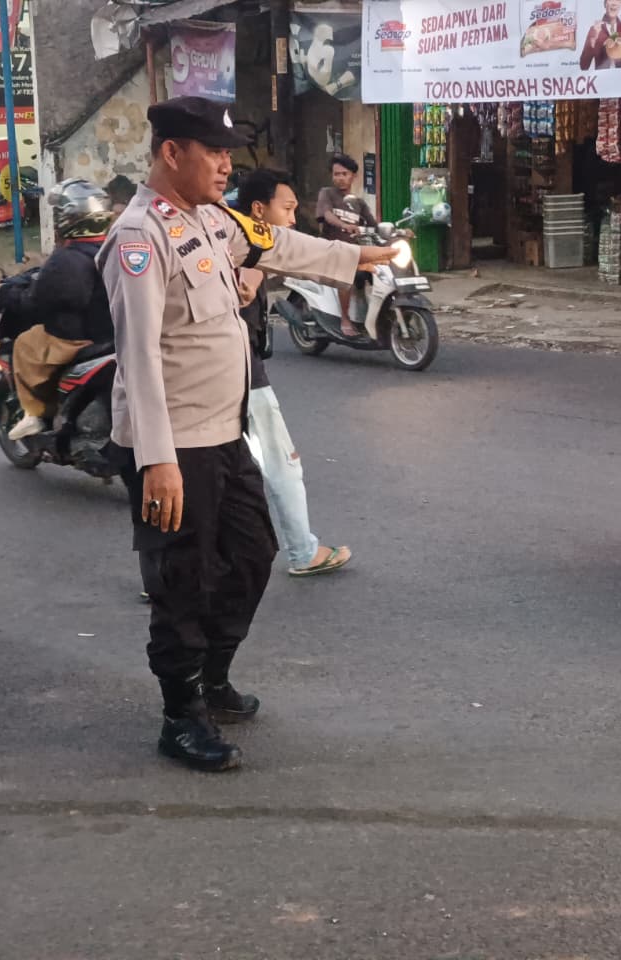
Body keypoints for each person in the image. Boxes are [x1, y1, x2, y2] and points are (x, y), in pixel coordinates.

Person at [99, 96, 395, 773]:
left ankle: (212, 676)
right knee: (184, 579)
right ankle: (181, 716)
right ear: (172, 153)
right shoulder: (141, 237)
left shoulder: (209, 219)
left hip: (223, 433)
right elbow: (139, 356)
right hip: (173, 445)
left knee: (255, 552)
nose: (227, 164)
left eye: (230, 151)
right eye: (214, 151)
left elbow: (279, 243)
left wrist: (360, 258)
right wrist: (158, 462)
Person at [229, 169, 352, 578]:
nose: (293, 219)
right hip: (241, 375)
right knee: (282, 464)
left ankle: (168, 575)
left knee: (208, 474)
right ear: (259, 210)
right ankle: (302, 551)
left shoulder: (228, 237)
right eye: (287, 209)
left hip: (217, 376)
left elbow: (302, 257)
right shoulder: (242, 243)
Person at [7, 179, 116, 440]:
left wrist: (14, 297)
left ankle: (33, 414)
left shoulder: (67, 258)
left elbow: (40, 301)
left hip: (77, 339)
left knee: (24, 343)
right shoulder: (114, 247)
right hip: (113, 334)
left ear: (69, 218)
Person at [316, 152, 377, 337]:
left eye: (344, 174)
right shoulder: (327, 194)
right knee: (347, 275)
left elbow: (373, 224)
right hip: (332, 249)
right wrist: (344, 225)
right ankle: (345, 319)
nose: (340, 178)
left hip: (354, 250)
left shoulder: (359, 203)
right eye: (336, 174)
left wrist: (397, 232)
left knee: (379, 271)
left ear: (354, 176)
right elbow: (326, 215)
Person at [579, 0, 621, 70]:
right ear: (605, 4)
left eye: (617, 0)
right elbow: (583, 65)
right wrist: (592, 41)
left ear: (620, 4)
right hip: (602, 79)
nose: (613, 4)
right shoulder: (595, 30)